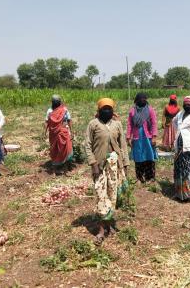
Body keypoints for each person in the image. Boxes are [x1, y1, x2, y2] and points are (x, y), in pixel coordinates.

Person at [84, 98, 129, 245]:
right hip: (100, 166)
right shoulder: (93, 124)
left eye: (110, 108)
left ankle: (108, 224)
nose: (107, 111)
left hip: (115, 165)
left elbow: (122, 145)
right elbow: (87, 145)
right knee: (100, 194)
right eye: (104, 108)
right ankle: (102, 229)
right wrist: (93, 163)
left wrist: (126, 165)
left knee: (112, 195)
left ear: (113, 110)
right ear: (99, 110)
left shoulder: (117, 124)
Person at [127, 93, 158, 183]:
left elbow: (154, 123)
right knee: (138, 156)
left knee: (149, 156)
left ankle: (150, 177)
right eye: (141, 99)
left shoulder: (150, 110)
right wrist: (128, 137)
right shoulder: (132, 111)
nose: (143, 100)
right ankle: (140, 177)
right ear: (137, 100)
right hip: (137, 137)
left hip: (148, 137)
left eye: (145, 99)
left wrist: (154, 137)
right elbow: (129, 124)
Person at [45, 95, 73, 172]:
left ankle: (66, 168)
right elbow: (47, 122)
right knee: (55, 150)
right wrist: (45, 132)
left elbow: (69, 120)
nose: (56, 103)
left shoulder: (64, 109)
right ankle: (54, 169)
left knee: (66, 149)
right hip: (53, 133)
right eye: (55, 102)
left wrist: (72, 131)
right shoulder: (50, 111)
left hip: (63, 132)